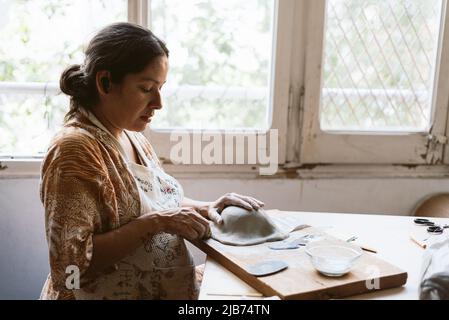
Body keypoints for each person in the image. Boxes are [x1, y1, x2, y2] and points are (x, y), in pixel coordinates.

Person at [39, 22, 264, 300]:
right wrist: (156, 223)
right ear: (105, 82)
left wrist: (208, 207)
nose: (159, 103)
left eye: (161, 88)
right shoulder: (74, 150)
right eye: (147, 88)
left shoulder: (130, 135)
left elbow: (158, 202)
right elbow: (70, 268)